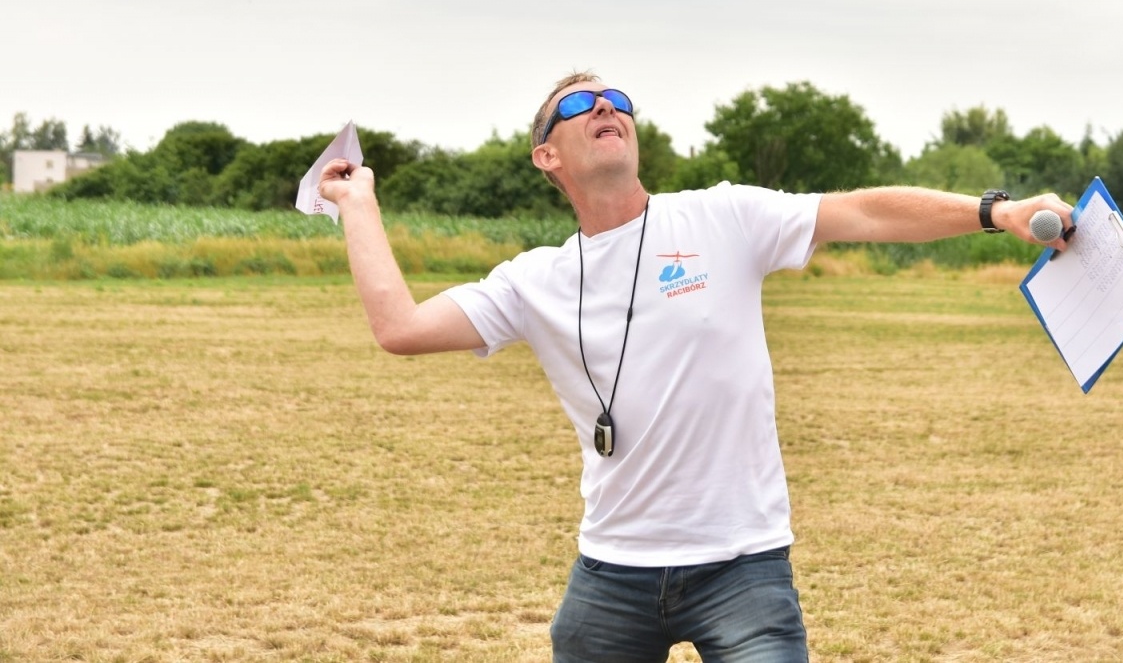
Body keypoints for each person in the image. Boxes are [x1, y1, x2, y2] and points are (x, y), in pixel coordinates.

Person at [318, 72, 1074, 663]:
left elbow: (864, 212)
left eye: (618, 100)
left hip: (743, 567)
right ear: (548, 156)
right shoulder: (533, 281)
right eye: (579, 104)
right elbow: (401, 328)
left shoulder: (721, 217)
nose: (605, 106)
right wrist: (359, 204)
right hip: (611, 571)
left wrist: (994, 212)